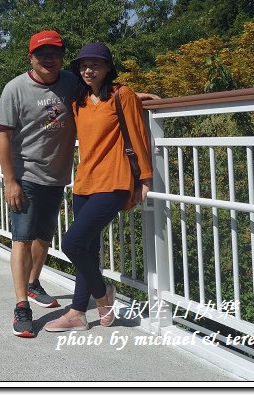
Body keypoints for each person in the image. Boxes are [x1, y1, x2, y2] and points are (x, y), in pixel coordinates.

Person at [44, 41, 153, 332]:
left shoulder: (122, 95)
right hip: (84, 182)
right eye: (83, 65)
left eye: (95, 65)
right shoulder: (78, 102)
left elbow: (139, 136)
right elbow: (52, 118)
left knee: (72, 243)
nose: (88, 70)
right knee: (87, 249)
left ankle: (103, 297)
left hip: (114, 181)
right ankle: (78, 313)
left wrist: (144, 178)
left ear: (107, 68)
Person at [0, 30, 78, 338]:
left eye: (55, 52)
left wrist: (132, 98)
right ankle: (21, 307)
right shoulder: (15, 89)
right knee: (22, 239)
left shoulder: (71, 82)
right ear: (30, 57)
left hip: (56, 176)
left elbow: (102, 92)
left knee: (44, 236)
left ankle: (33, 284)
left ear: (62, 56)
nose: (48, 59)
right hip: (25, 175)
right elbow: (2, 137)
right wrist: (10, 181)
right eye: (42, 54)